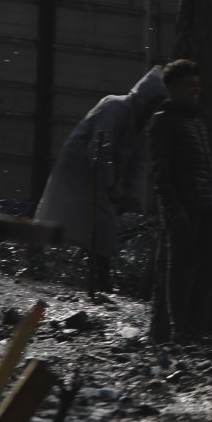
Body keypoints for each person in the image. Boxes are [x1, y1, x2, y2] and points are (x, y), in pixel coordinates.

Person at [34, 65, 166, 290]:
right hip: (79, 171)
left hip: (100, 177)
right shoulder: (115, 107)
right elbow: (99, 149)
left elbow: (137, 164)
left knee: (98, 228)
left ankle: (95, 279)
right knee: (94, 226)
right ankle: (91, 279)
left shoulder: (141, 127)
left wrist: (130, 195)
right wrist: (112, 187)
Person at [147, 59, 212, 344]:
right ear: (173, 88)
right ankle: (182, 329)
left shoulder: (196, 120)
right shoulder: (163, 121)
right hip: (184, 209)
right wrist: (175, 213)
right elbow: (161, 174)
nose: (195, 91)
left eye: (196, 85)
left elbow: (206, 166)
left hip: (205, 206)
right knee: (183, 267)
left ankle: (198, 327)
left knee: (208, 265)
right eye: (189, 85)